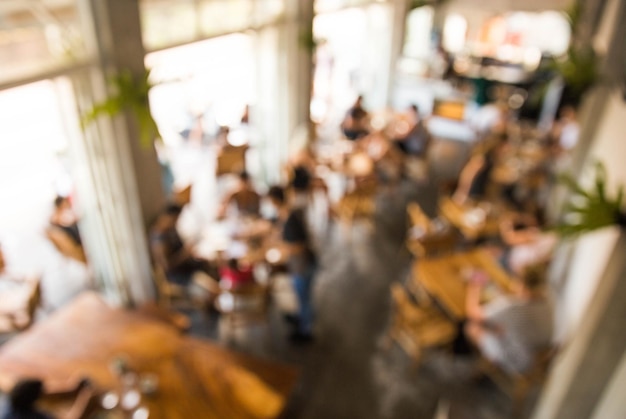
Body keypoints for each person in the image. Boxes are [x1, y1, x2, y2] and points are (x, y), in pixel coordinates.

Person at [465, 264, 554, 374]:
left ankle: (485, 366)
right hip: (550, 339)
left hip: (525, 360)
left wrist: (474, 286)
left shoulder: (510, 306)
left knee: (472, 328)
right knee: (495, 327)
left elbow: (472, 313)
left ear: (521, 283)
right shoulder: (545, 295)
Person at [280, 168, 318, 343]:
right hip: (309, 257)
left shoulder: (296, 210)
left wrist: (283, 248)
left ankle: (305, 330)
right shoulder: (304, 203)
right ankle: (301, 318)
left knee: (305, 297)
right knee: (303, 295)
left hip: (304, 262)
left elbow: (299, 244)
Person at [149, 204, 217, 288]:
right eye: (174, 219)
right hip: (178, 275)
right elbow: (167, 266)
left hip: (187, 267)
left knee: (212, 264)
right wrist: (184, 254)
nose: (175, 222)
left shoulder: (171, 231)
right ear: (167, 217)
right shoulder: (159, 239)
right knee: (207, 286)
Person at [0, 378, 95, 419]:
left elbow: (46, 395)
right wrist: (86, 400)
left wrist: (74, 389)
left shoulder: (10, 401)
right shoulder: (30, 417)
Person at [47, 196, 86, 263]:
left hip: (74, 238)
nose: (68, 203)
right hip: (75, 239)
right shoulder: (56, 217)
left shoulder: (56, 216)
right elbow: (70, 221)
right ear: (61, 204)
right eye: (66, 202)